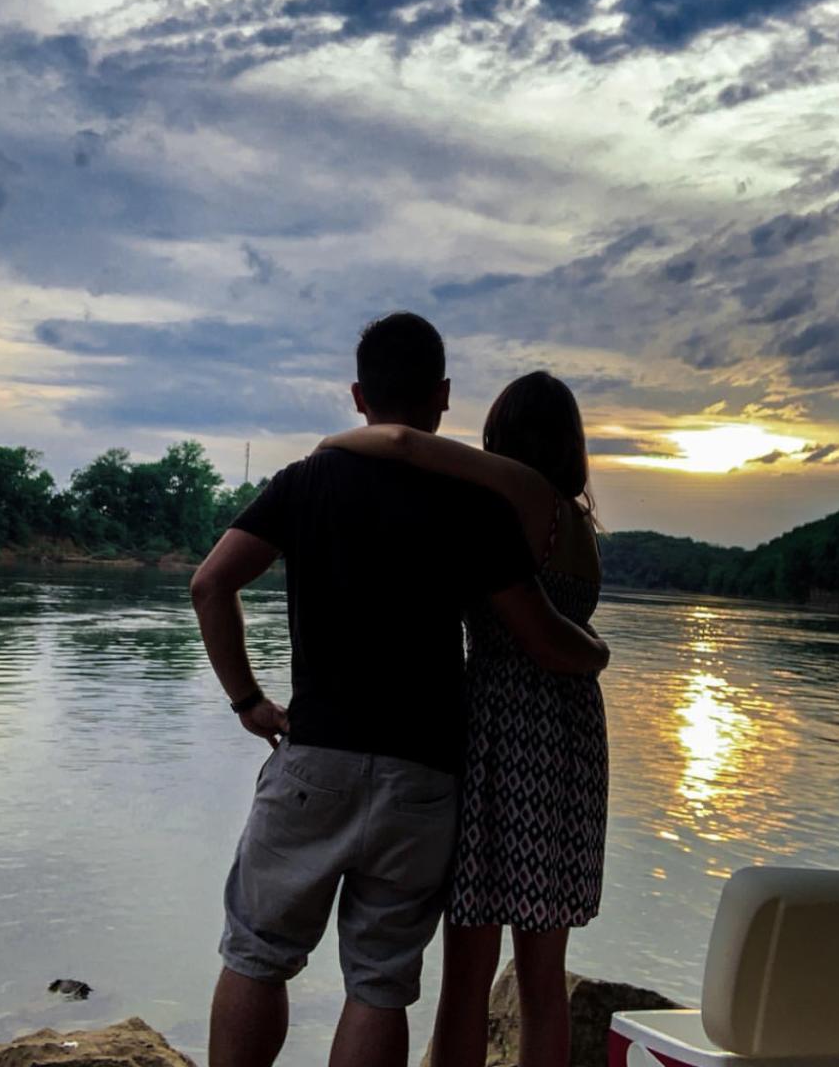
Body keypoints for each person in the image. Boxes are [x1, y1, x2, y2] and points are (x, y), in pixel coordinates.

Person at [191, 314, 609, 1067]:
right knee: (379, 984)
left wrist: (248, 701)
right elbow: (538, 630)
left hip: (316, 756)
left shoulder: (306, 481)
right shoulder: (476, 508)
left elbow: (210, 584)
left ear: (357, 395)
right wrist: (593, 653)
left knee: (257, 953)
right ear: (443, 395)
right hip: (429, 774)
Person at [318, 370, 607, 1067]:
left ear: (503, 438)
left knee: (468, 975)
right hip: (571, 736)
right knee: (542, 976)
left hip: (500, 732)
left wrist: (337, 442)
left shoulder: (520, 493)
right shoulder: (581, 523)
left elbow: (403, 444)